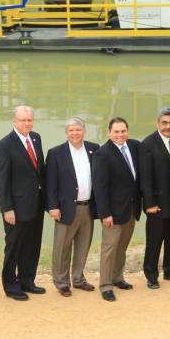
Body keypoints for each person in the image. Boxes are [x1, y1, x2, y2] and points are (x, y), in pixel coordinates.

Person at [0, 105, 46, 301]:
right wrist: (7, 208)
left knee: (32, 244)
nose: (27, 123)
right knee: (14, 246)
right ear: (14, 121)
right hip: (16, 207)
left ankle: (27, 280)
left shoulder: (36, 138)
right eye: (23, 120)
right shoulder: (4, 145)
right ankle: (10, 285)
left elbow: (38, 171)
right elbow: (2, 180)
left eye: (29, 120)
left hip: (36, 203)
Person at [45, 117, 98, 297]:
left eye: (78, 130)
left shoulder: (94, 149)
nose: (75, 133)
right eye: (71, 130)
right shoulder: (55, 153)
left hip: (88, 207)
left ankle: (78, 278)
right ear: (66, 132)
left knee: (84, 245)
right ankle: (61, 281)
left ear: (84, 131)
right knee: (63, 246)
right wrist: (52, 206)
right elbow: (50, 183)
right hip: (66, 208)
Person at [93, 117, 142, 302]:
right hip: (112, 212)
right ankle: (105, 285)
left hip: (131, 208)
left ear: (127, 132)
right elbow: (100, 187)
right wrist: (105, 213)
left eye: (123, 131)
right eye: (116, 132)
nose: (120, 135)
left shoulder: (134, 147)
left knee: (122, 247)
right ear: (109, 133)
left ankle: (117, 277)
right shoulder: (102, 154)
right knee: (109, 248)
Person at [139, 108, 170, 289]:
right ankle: (151, 275)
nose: (168, 126)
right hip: (158, 204)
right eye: (164, 123)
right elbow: (145, 177)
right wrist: (149, 203)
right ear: (157, 123)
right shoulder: (148, 144)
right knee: (154, 241)